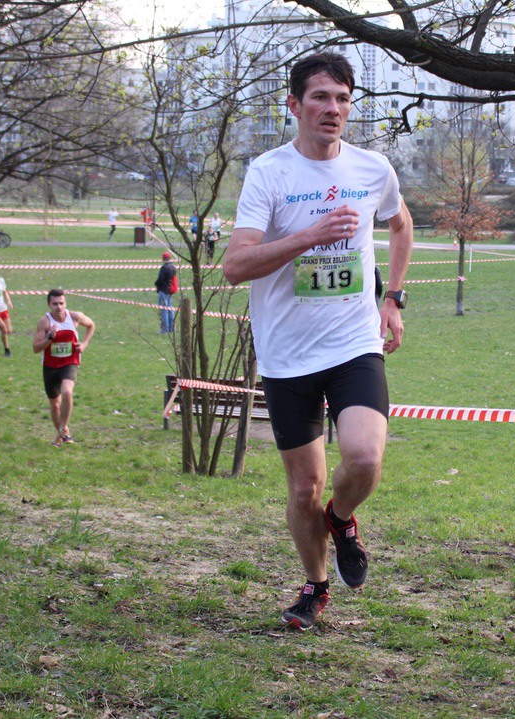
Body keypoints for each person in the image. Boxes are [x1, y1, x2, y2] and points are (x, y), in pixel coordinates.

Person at [223, 51, 413, 631]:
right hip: (287, 353)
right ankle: (315, 585)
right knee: (304, 487)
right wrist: (310, 236)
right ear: (294, 105)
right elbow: (234, 267)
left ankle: (343, 517)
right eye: (321, 97)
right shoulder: (269, 173)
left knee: (364, 457)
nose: (333, 109)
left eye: (343, 99)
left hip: (353, 342)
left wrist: (392, 298)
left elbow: (401, 224)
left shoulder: (372, 169)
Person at [32, 289, 95, 446]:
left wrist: (84, 344)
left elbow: (91, 325)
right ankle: (61, 433)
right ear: (49, 305)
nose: (59, 307)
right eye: (55, 304)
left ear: (65, 303)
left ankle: (63, 430)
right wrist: (49, 338)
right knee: (55, 404)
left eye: (61, 303)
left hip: (69, 362)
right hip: (50, 365)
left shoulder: (75, 317)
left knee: (67, 391)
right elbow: (36, 348)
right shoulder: (44, 322)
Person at [154, 251, 178, 334]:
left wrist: (156, 284)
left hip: (163, 290)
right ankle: (172, 327)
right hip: (170, 290)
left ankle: (165, 329)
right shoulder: (173, 267)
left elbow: (160, 279)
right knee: (170, 308)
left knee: (163, 309)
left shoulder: (164, 268)